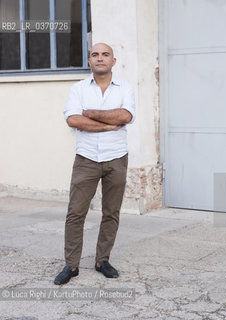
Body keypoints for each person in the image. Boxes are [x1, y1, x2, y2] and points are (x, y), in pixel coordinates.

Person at [54, 43, 136, 285]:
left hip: (116, 158)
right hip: (86, 159)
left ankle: (103, 260)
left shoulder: (126, 88)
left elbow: (125, 116)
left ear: (113, 61)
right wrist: (108, 125)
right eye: (95, 55)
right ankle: (71, 264)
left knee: (111, 212)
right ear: (89, 61)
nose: (100, 58)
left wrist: (90, 114)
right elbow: (73, 119)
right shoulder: (78, 89)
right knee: (75, 213)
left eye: (105, 54)